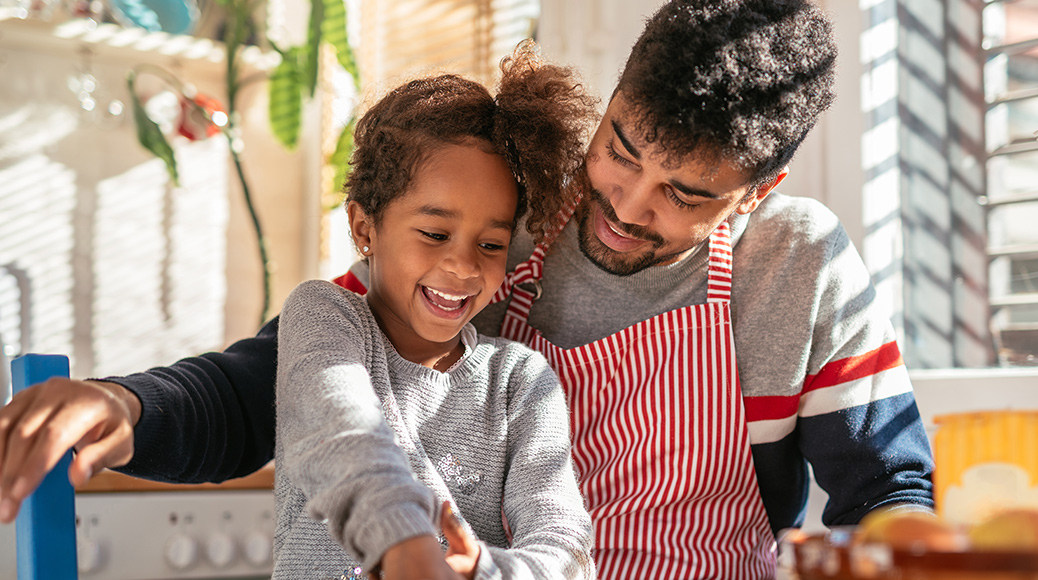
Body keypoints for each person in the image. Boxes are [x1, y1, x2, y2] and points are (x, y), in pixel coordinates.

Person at [0, 1, 935, 578]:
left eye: (685, 195)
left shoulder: (796, 264)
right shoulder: (502, 216)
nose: (622, 205)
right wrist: (131, 405)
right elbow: (296, 380)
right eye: (620, 149)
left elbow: (888, 487)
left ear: (756, 193)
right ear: (610, 101)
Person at [271, 43, 596, 580]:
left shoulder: (519, 380)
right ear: (364, 228)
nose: (463, 266)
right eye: (435, 233)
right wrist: (406, 545)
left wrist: (488, 569)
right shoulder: (322, 315)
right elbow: (343, 432)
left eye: (491, 245)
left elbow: (565, 543)